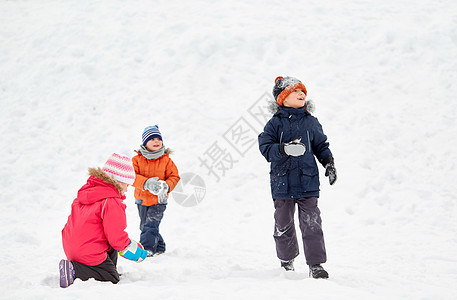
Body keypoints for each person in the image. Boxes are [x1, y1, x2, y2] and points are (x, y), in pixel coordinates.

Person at [258, 76, 337, 279]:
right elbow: (265, 148)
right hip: (282, 183)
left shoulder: (311, 121)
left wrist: (328, 163)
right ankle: (287, 260)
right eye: (295, 91)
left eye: (303, 91)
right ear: (283, 98)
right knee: (283, 224)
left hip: (307, 182)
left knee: (312, 223)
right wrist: (284, 149)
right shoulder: (274, 124)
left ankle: (316, 264)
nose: (302, 94)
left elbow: (321, 145)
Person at [60, 151, 148, 288]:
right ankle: (74, 270)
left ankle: (104, 267)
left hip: (73, 246)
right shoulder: (111, 201)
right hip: (88, 251)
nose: (127, 190)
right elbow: (116, 237)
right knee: (111, 278)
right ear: (118, 181)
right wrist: (134, 250)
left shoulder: (87, 192)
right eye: (127, 185)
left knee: (110, 246)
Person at [132, 125, 180, 256]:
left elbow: (174, 176)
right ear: (145, 142)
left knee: (151, 224)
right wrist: (146, 183)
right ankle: (159, 246)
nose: (156, 141)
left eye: (158, 139)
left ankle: (146, 249)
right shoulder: (136, 160)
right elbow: (131, 177)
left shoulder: (166, 160)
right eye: (152, 139)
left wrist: (167, 186)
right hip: (141, 199)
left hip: (159, 200)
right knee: (144, 226)